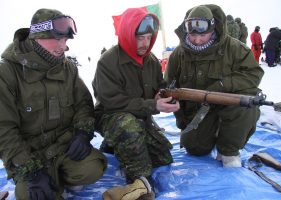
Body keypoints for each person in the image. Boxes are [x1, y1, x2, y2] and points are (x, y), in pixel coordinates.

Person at [0, 8, 107, 199]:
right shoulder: (7, 73)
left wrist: (83, 132)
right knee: (32, 195)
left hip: (63, 148)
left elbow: (83, 104)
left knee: (94, 167)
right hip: (30, 155)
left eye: (65, 41)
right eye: (57, 39)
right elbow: (4, 129)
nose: (62, 46)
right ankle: (46, 179)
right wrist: (29, 169)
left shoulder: (68, 68)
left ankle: (59, 177)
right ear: (37, 36)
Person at [92, 8, 179, 200]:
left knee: (163, 157)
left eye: (149, 37)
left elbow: (160, 86)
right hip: (111, 116)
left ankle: (114, 145)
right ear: (127, 34)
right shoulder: (107, 62)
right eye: (140, 38)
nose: (145, 43)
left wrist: (165, 96)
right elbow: (113, 102)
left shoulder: (151, 61)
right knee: (128, 127)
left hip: (140, 118)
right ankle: (140, 184)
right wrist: (152, 105)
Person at [165, 4, 264, 168]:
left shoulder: (234, 48)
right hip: (198, 112)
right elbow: (168, 85)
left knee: (248, 104)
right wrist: (182, 121)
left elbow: (253, 75)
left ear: (213, 29)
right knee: (195, 148)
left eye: (203, 35)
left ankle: (229, 151)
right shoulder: (178, 54)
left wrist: (222, 85)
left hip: (230, 106)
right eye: (192, 35)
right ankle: (211, 132)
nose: (197, 40)